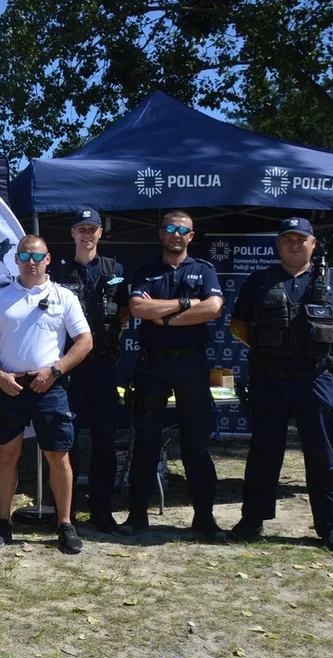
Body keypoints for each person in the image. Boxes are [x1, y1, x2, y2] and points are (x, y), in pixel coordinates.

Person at [229, 217, 333, 552]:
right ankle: (252, 520)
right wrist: (265, 351)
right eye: (287, 239)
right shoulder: (259, 281)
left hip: (316, 379)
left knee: (323, 455)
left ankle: (332, 528)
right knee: (263, 453)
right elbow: (238, 325)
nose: (294, 244)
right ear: (278, 245)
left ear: (313, 243)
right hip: (269, 380)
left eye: (300, 239)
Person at [0, 235, 92, 554]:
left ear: (48, 259)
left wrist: (55, 371)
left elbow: (84, 341)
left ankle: (65, 523)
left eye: (37, 256)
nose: (31, 261)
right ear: (15, 259)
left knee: (58, 456)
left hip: (49, 385)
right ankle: (3, 523)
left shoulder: (64, 296)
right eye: (25, 255)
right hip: (9, 385)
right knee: (7, 455)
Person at [125, 210, 226, 540]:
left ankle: (204, 518)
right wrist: (185, 304)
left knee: (196, 444)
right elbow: (139, 309)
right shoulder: (145, 271)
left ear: (191, 236)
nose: (176, 234)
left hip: (191, 366)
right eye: (170, 229)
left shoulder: (204, 270)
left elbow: (212, 308)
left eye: (183, 230)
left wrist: (165, 316)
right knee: (146, 442)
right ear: (161, 234)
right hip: (152, 366)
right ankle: (137, 516)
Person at [50, 209, 129, 533]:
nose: (87, 234)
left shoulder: (116, 270)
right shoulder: (57, 272)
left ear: (100, 233)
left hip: (103, 369)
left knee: (105, 443)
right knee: (66, 442)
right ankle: (65, 513)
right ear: (72, 233)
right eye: (82, 229)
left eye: (92, 229)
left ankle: (101, 510)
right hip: (69, 370)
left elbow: (124, 312)